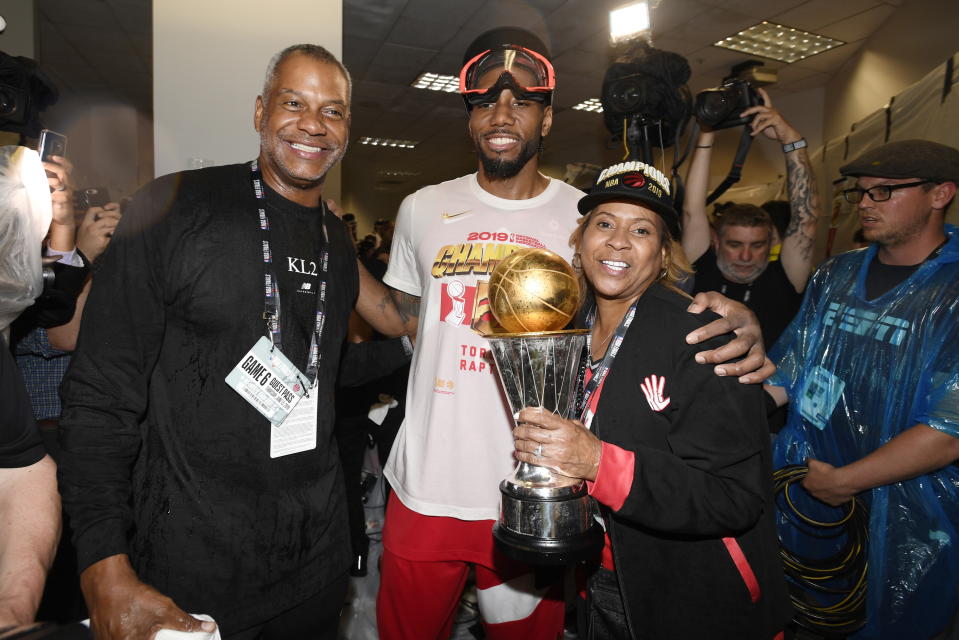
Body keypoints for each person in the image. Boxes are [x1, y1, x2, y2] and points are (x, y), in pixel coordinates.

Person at [351, 27, 774, 640]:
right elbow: (407, 320)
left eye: (522, 102)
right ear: (469, 119)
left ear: (546, 120)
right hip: (427, 482)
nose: (502, 115)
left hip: (540, 487)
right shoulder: (421, 207)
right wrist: (330, 242)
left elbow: (636, 291)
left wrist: (736, 315)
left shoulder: (585, 216)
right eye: (486, 104)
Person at [56, 44, 407, 639]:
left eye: (334, 111)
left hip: (314, 568)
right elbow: (99, 395)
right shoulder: (175, 209)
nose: (313, 125)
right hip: (189, 567)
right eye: (293, 102)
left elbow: (323, 372)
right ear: (259, 112)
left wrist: (412, 349)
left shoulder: (334, 238)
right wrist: (101, 562)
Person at [513, 161, 791, 639]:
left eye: (641, 229)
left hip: (694, 596)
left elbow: (736, 497)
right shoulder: (563, 327)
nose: (618, 240)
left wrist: (599, 462)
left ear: (663, 256)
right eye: (604, 223)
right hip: (599, 574)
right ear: (580, 242)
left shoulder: (703, 338)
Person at [765, 139, 959, 639]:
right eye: (862, 193)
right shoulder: (836, 274)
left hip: (909, 515)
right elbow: (790, 369)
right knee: (805, 618)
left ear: (941, 194)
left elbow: (948, 430)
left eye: (884, 192)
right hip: (809, 497)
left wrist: (846, 481)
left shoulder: (953, 293)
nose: (866, 203)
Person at [684, 88, 820, 346]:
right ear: (716, 241)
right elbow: (692, 210)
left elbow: (806, 218)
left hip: (764, 386)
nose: (746, 257)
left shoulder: (785, 277)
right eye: (735, 245)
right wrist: (707, 129)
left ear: (771, 243)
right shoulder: (702, 266)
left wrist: (790, 138)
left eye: (757, 246)